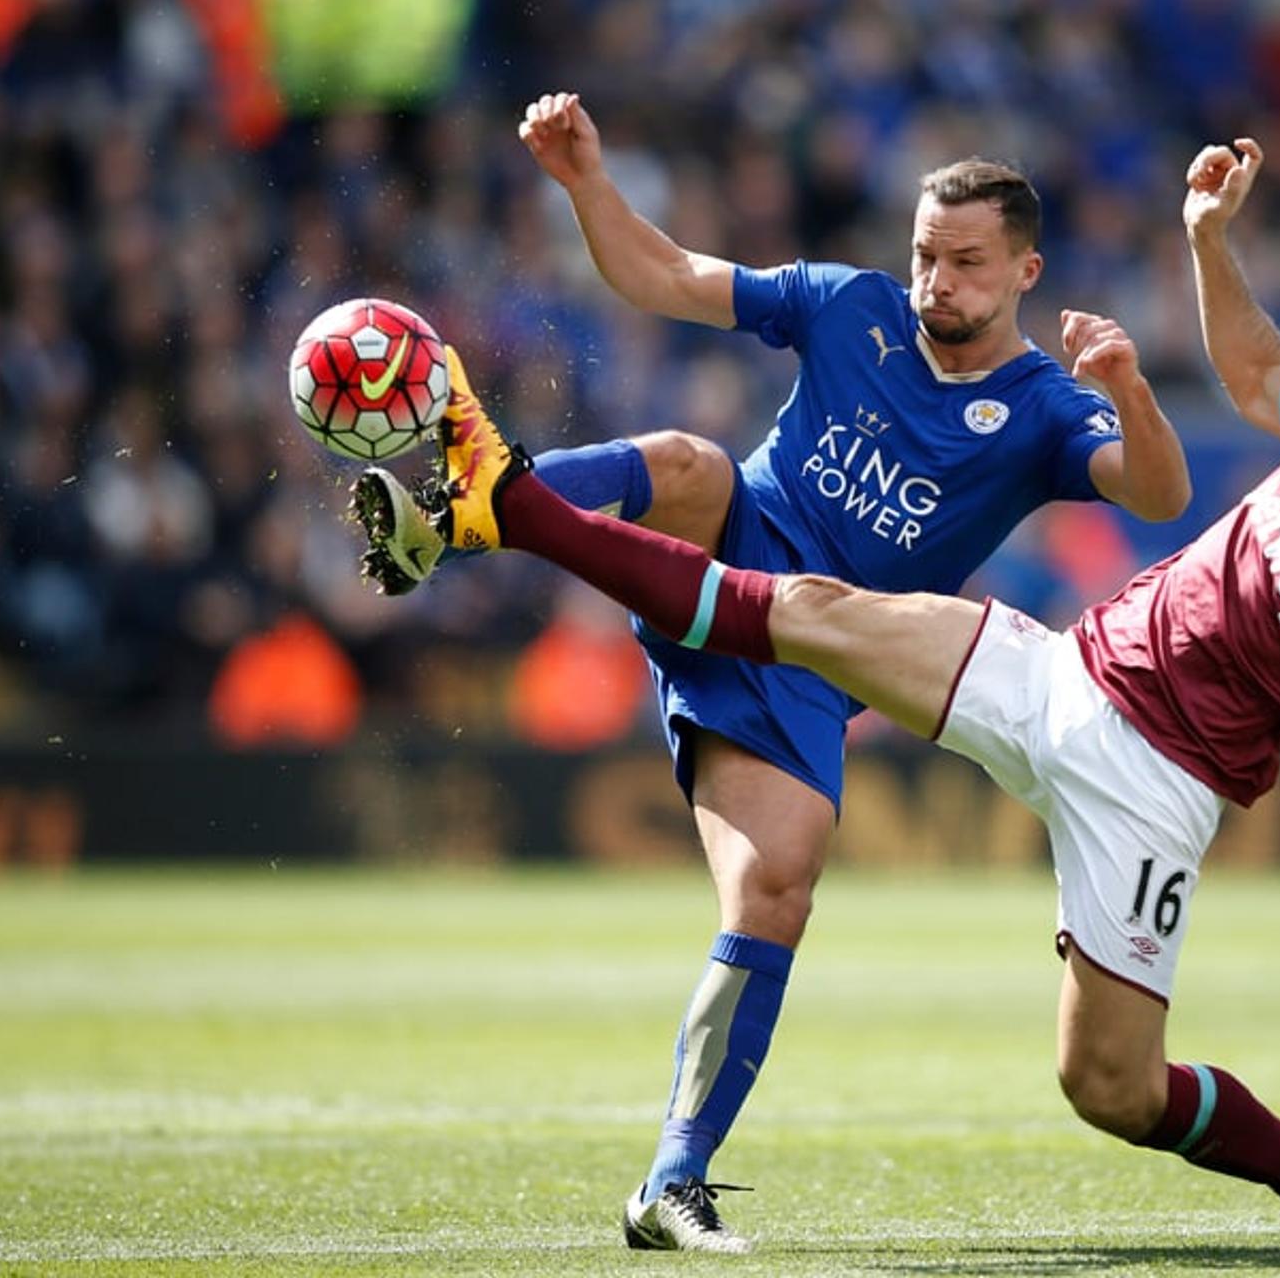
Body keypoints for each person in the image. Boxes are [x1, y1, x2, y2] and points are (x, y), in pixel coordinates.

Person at [365, 135, 1280, 1254]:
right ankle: (493, 505)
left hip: (1165, 785)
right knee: (760, 551)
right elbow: (1260, 365)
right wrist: (1206, 233)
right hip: (1061, 670)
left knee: (1106, 1083)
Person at [349, 91, 1193, 1252]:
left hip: (815, 656)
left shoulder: (1047, 407)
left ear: (1026, 269)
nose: (935, 281)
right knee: (697, 460)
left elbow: (1159, 495)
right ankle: (468, 509)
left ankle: (670, 1182)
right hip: (730, 543)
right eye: (923, 255)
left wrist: (1130, 385)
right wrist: (587, 182)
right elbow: (663, 278)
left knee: (775, 893)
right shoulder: (850, 306)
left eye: (965, 262)